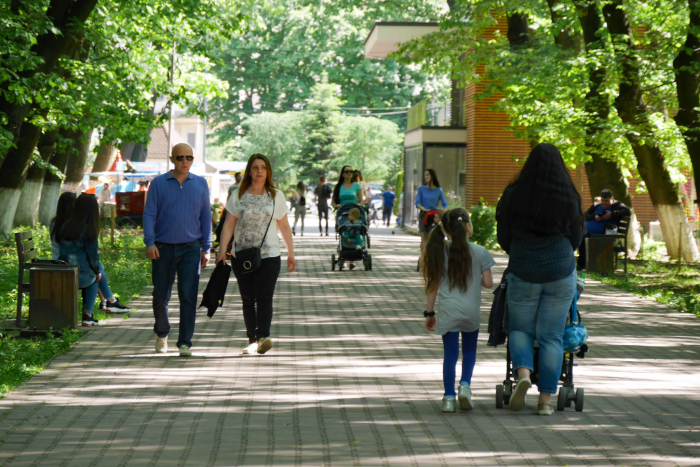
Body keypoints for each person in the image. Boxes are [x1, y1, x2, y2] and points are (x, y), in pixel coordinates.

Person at [496, 143, 583, 416]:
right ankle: (545, 401)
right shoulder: (569, 194)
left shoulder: (513, 194)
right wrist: (562, 254)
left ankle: (523, 374)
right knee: (552, 337)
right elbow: (577, 235)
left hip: (524, 270)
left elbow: (503, 235)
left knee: (521, 330)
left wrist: (519, 252)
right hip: (559, 272)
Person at [217, 154, 295, 355]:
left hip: (269, 255)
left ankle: (264, 337)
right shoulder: (239, 195)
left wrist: (291, 253)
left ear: (267, 171)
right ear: (249, 171)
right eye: (255, 167)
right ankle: (252, 339)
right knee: (247, 298)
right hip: (241, 255)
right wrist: (221, 251)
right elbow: (228, 225)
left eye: (263, 167)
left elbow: (284, 226)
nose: (259, 171)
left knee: (265, 296)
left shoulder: (276, 196)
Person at [423, 208, 495, 412]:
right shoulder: (480, 252)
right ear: (467, 227)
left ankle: (448, 398)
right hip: (471, 312)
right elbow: (489, 283)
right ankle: (465, 386)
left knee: (450, 354)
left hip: (448, 311)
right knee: (470, 350)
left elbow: (433, 285)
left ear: (447, 230)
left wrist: (429, 314)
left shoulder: (440, 251)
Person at [143, 143, 212, 357]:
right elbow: (149, 214)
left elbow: (206, 218)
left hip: (191, 248)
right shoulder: (158, 183)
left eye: (189, 158)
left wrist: (206, 248)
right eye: (180, 158)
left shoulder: (200, 184)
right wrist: (149, 242)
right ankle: (162, 333)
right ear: (172, 159)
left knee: (188, 296)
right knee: (160, 295)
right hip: (162, 248)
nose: (185, 162)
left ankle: (184, 343)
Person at [51, 192, 130, 316]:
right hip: (75, 275)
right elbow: (92, 255)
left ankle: (100, 307)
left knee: (96, 270)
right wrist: (97, 270)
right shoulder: (87, 229)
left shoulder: (65, 225)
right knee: (95, 274)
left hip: (61, 269)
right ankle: (105, 303)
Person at [577, 189, 631, 270]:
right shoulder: (596, 205)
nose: (604, 203)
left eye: (606, 201)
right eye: (603, 200)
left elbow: (627, 211)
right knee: (582, 235)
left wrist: (612, 214)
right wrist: (594, 217)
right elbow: (585, 216)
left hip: (604, 231)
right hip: (588, 230)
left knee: (584, 236)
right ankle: (582, 264)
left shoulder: (617, 205)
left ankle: (582, 264)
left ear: (612, 199)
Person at [416, 169, 448, 264]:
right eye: (425, 175)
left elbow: (445, 204)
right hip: (424, 215)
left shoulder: (439, 190)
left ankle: (434, 259)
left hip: (434, 216)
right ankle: (423, 259)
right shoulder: (421, 188)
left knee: (434, 237)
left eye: (427, 175)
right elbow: (417, 203)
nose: (425, 177)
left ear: (432, 176)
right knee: (424, 238)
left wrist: (444, 210)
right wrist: (424, 209)